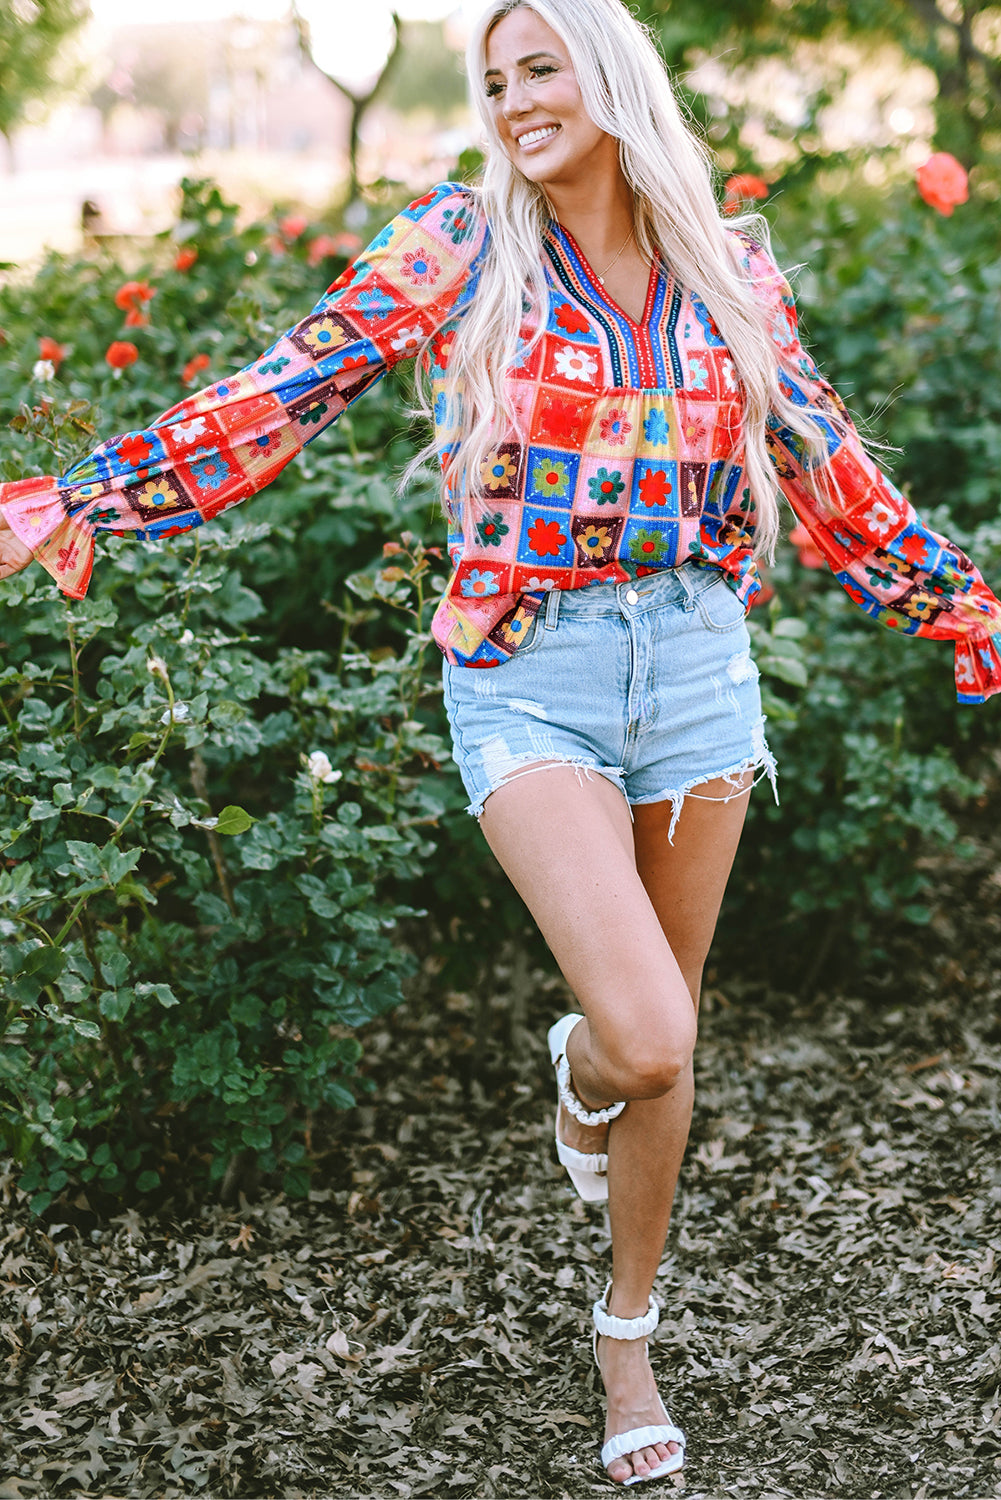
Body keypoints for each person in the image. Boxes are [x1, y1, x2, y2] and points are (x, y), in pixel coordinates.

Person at [1, 0, 999, 1485]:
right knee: (643, 1035)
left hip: (699, 666)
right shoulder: (465, 239)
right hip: (528, 669)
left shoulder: (726, 264)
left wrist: (962, 607)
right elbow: (295, 381)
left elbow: (823, 462)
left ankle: (625, 1338)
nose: (516, 97)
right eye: (494, 78)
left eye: (542, 67)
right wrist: (91, 494)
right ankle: (579, 1074)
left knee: (671, 1048)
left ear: (611, 77)